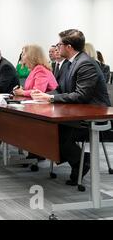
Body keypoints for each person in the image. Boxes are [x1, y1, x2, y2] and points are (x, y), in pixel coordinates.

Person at [31, 29, 111, 185]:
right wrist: (43, 96)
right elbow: (61, 89)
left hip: (94, 115)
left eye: (59, 44)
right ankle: (79, 162)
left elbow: (81, 95)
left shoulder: (85, 63)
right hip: (77, 112)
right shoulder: (70, 63)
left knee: (55, 132)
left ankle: (82, 162)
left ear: (68, 47)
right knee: (46, 130)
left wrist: (51, 98)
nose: (57, 48)